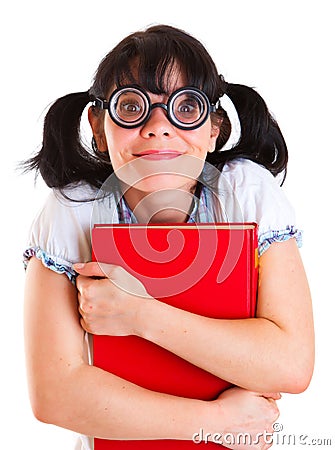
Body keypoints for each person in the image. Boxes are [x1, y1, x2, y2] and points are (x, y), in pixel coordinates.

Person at [23, 24, 314, 450]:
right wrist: (215, 421)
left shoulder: (245, 192)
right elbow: (54, 394)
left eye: (186, 108)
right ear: (99, 128)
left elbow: (290, 365)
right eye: (131, 106)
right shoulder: (73, 210)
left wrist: (139, 314)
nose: (159, 128)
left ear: (214, 127)